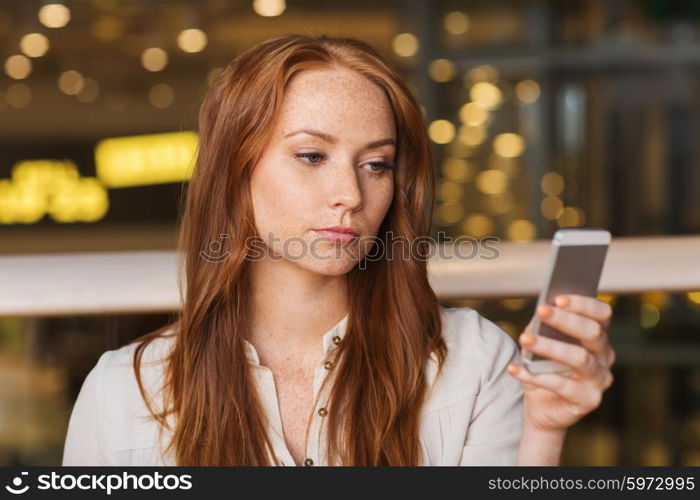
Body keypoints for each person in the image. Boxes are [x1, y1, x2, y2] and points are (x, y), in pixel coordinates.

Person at [62, 34, 615, 466]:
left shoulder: (474, 362)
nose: (351, 195)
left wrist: (545, 431)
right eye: (311, 156)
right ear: (235, 171)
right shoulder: (126, 391)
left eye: (376, 164)